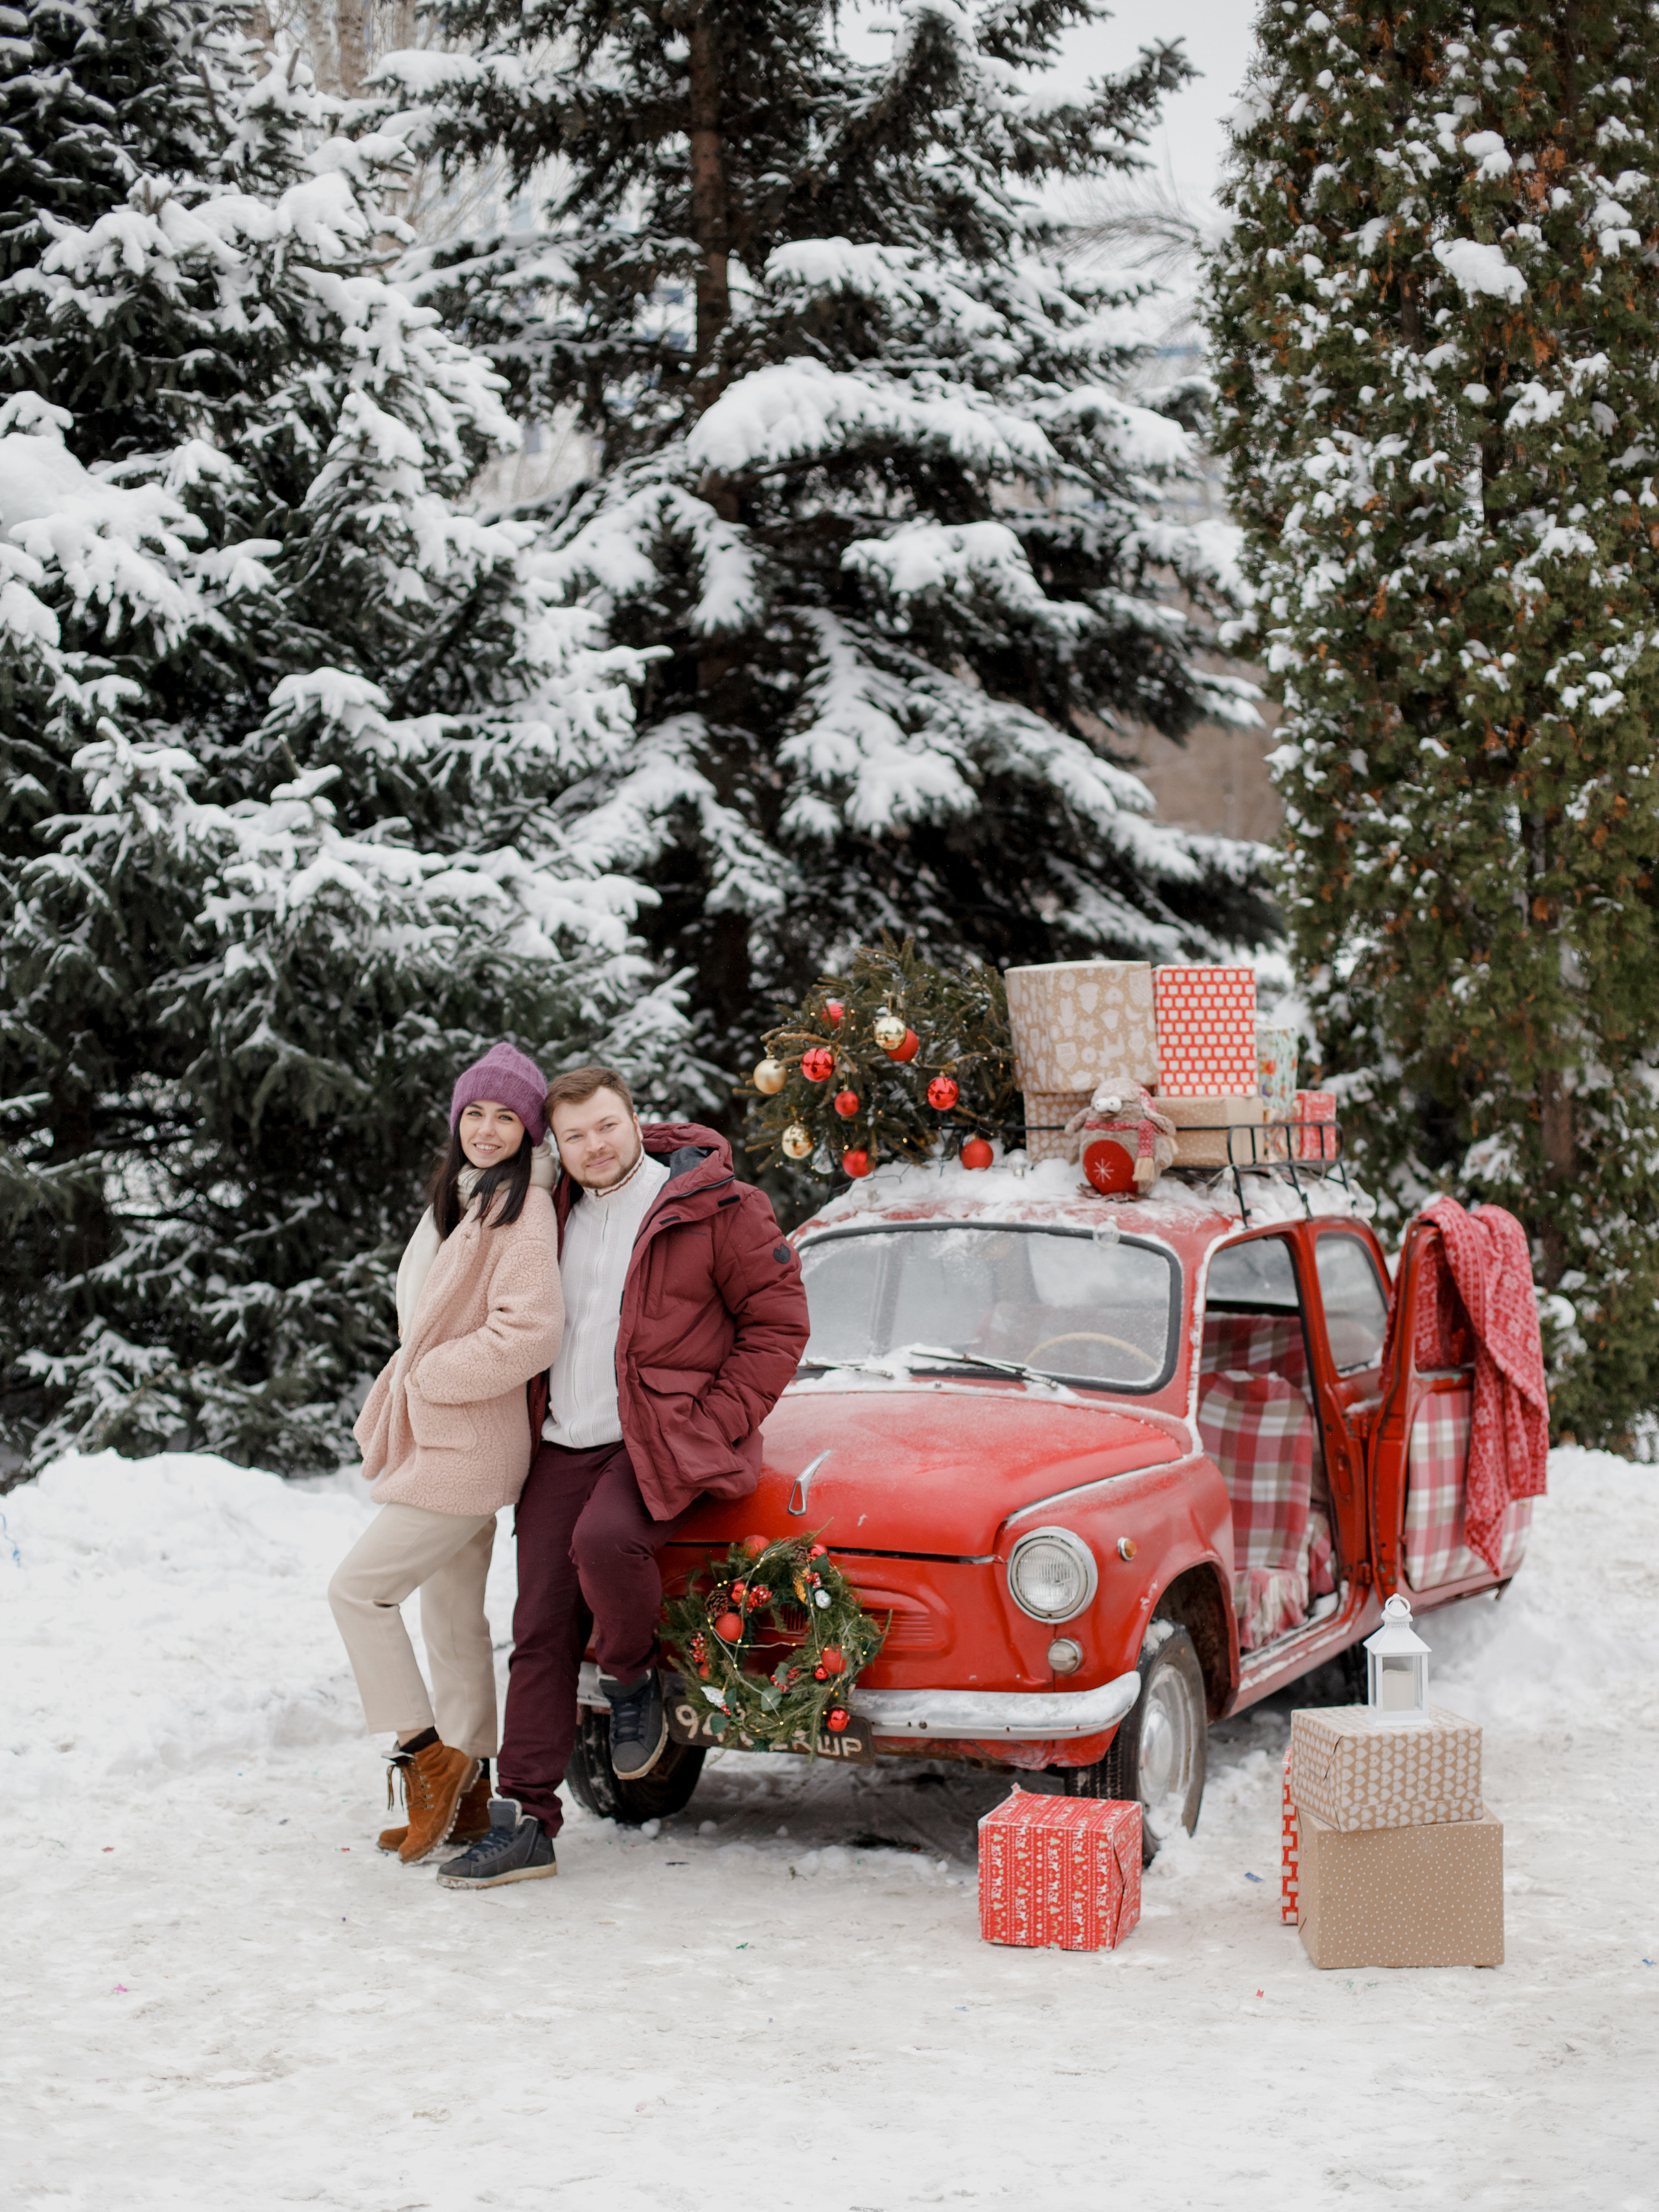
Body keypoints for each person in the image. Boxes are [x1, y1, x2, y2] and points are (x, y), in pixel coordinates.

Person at [439, 1065, 811, 1889]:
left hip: (658, 1438)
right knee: (537, 1625)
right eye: (574, 1136)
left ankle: (632, 1674)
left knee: (606, 1542)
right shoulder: (549, 1212)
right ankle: (526, 1818)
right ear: (557, 1148)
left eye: (606, 1125)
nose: (594, 1146)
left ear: (635, 1119)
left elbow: (778, 1323)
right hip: (562, 1443)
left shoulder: (716, 1206)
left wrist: (713, 1420)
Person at [328, 1042, 563, 1865]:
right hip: (454, 1433)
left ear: (531, 1130)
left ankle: (425, 1752)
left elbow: (531, 1330)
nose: (489, 1130)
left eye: (508, 1117)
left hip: (465, 1443)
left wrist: (430, 1374)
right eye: (476, 1113)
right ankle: (469, 1796)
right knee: (452, 1616)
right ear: (456, 1119)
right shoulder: (462, 1200)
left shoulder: (521, 1210)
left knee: (359, 1591)